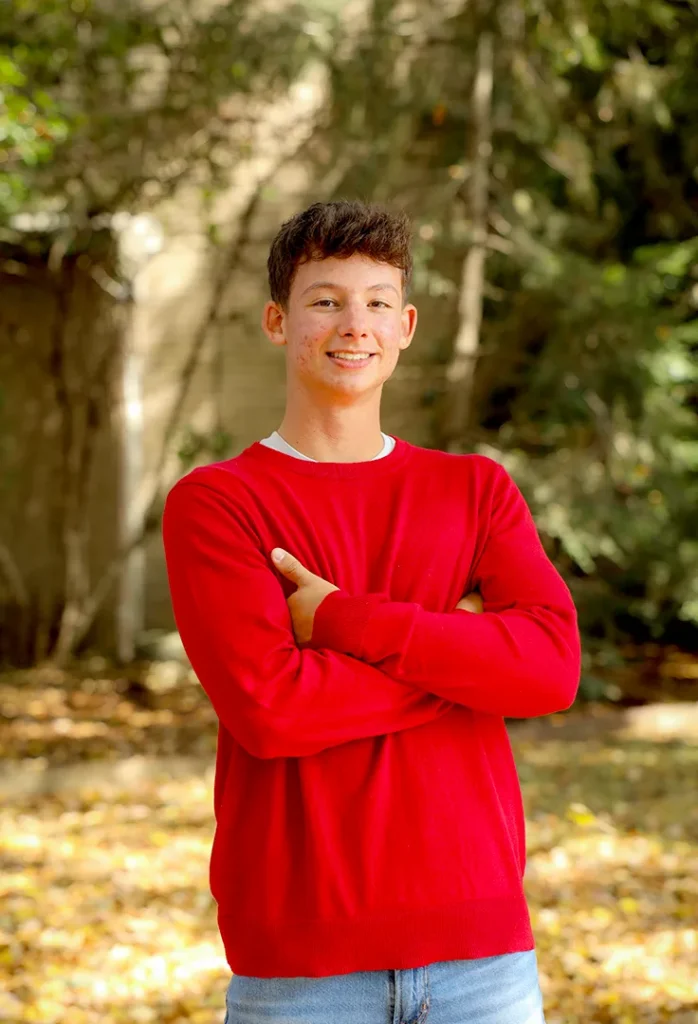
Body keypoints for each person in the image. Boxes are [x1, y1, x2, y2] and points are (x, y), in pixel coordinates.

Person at [162, 200, 581, 1024]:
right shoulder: (217, 502)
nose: (355, 324)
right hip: (303, 969)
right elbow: (271, 710)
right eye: (326, 300)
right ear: (278, 321)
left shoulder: (476, 490)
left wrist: (342, 622)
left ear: (406, 326)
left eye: (377, 302)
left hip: (484, 961)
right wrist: (466, 659)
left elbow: (551, 671)